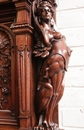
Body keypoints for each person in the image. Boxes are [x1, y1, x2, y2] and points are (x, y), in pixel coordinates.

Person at [33, 1, 72, 130]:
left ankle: (48, 121)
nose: (47, 13)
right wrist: (42, 28)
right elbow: (45, 39)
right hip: (55, 61)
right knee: (51, 91)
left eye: (49, 10)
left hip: (61, 61)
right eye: (44, 11)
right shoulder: (45, 30)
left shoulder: (52, 28)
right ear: (39, 14)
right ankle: (44, 122)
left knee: (58, 91)